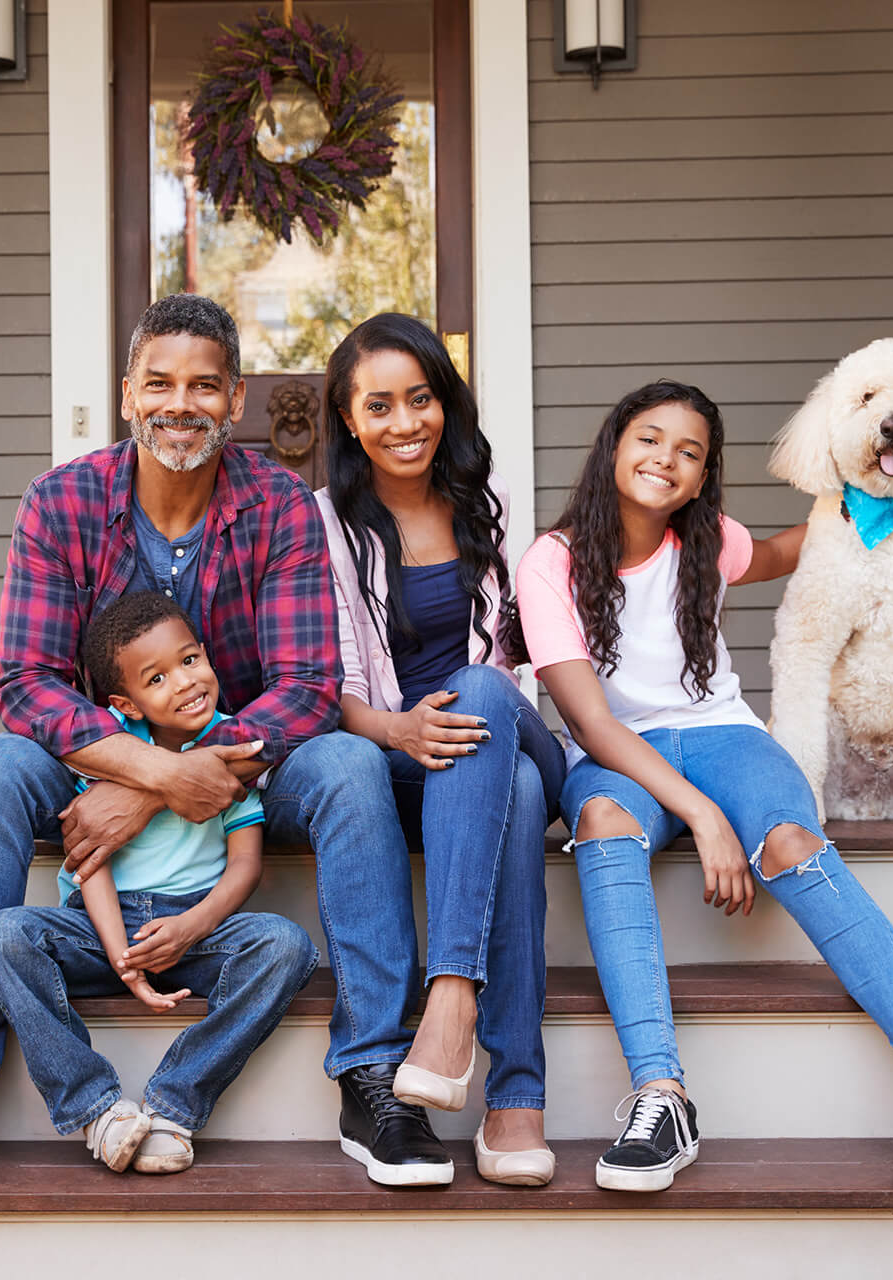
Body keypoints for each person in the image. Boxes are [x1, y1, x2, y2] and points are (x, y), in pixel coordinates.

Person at [0, 293, 455, 1191]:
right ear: (127, 393)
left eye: (204, 386)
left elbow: (307, 686)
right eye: (159, 383)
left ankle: (373, 1074)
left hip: (250, 756)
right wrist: (151, 767)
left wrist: (175, 779)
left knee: (352, 764)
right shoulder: (61, 501)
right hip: (106, 749)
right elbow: (24, 683)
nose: (180, 404)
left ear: (236, 402)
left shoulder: (278, 504)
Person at [514, 379, 893, 1194]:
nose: (664, 459)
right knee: (601, 822)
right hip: (618, 756)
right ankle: (660, 1095)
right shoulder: (551, 561)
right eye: (648, 438)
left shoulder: (708, 540)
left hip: (727, 738)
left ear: (704, 477)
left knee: (790, 841)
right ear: (613, 447)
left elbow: (786, 553)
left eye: (689, 452)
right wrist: (702, 816)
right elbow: (593, 725)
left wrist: (876, 509)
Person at [314, 314, 564, 1187]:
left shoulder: (479, 506)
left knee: (488, 690)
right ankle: (517, 1097)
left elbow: (532, 659)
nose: (405, 422)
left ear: (445, 404)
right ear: (349, 421)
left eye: (420, 399)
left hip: (500, 725)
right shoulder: (325, 526)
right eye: (378, 405)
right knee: (523, 797)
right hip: (404, 755)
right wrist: (397, 728)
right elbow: (327, 684)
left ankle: (450, 997)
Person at [0, 591, 316, 1174]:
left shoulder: (231, 747)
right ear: (125, 703)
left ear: (207, 656)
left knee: (286, 946)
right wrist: (122, 959)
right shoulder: (114, 754)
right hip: (99, 928)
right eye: (157, 678)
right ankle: (97, 1110)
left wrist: (191, 926)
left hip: (195, 927)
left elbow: (245, 866)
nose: (184, 682)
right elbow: (90, 860)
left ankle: (175, 1105)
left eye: (188, 661)